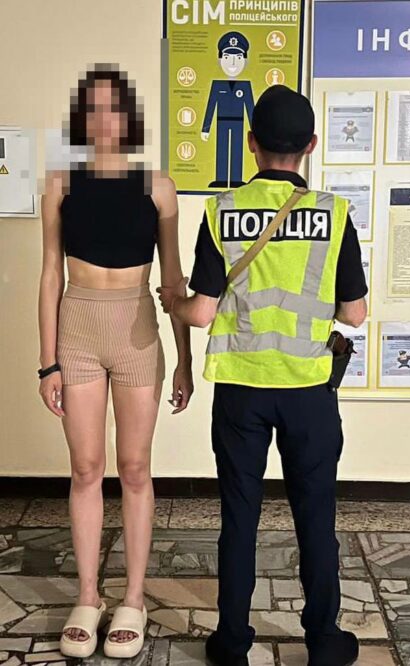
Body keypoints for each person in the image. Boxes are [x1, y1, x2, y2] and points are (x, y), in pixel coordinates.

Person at [158, 85, 368, 666]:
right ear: (311, 145)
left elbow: (202, 313)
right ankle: (323, 641)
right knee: (316, 519)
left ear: (250, 144)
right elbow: (354, 314)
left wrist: (173, 300)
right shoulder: (335, 214)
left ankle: (231, 643)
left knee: (239, 518)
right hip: (308, 391)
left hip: (241, 392)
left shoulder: (222, 212)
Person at [38, 64, 193, 659]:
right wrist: (47, 361)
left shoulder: (158, 187)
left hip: (137, 331)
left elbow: (173, 282)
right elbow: (50, 274)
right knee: (84, 467)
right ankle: (87, 596)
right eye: (93, 109)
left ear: (129, 118)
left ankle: (132, 598)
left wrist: (184, 360)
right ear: (81, 118)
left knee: (134, 467)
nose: (104, 120)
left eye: (114, 108)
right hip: (77, 327)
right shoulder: (60, 183)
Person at [201, 31, 255, 188]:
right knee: (222, 148)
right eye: (227, 57)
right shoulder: (217, 85)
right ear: (220, 60)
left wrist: (255, 130)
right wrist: (205, 129)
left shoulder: (245, 86)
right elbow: (211, 106)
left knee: (237, 148)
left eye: (238, 58)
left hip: (239, 122)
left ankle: (236, 178)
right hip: (221, 121)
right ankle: (221, 178)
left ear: (245, 61)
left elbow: (250, 108)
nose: (232, 63)